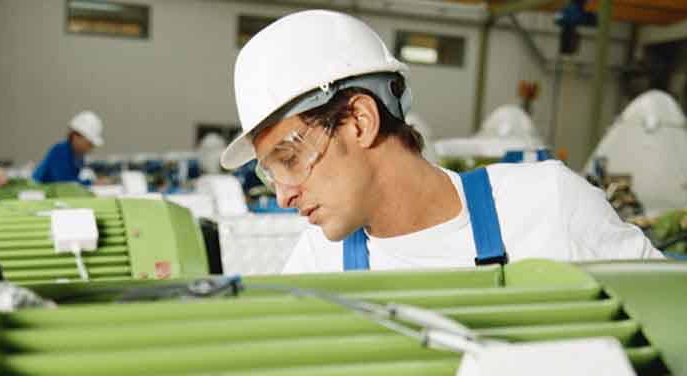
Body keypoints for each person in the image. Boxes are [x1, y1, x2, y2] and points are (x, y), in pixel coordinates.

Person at [218, 10, 662, 274]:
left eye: (290, 158)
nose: (282, 195)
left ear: (359, 119)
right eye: (268, 172)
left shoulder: (547, 207)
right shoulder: (319, 262)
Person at [32, 111, 104, 184]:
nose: (90, 148)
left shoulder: (77, 156)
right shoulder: (60, 152)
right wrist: (92, 183)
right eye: (89, 144)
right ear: (76, 136)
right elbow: (65, 183)